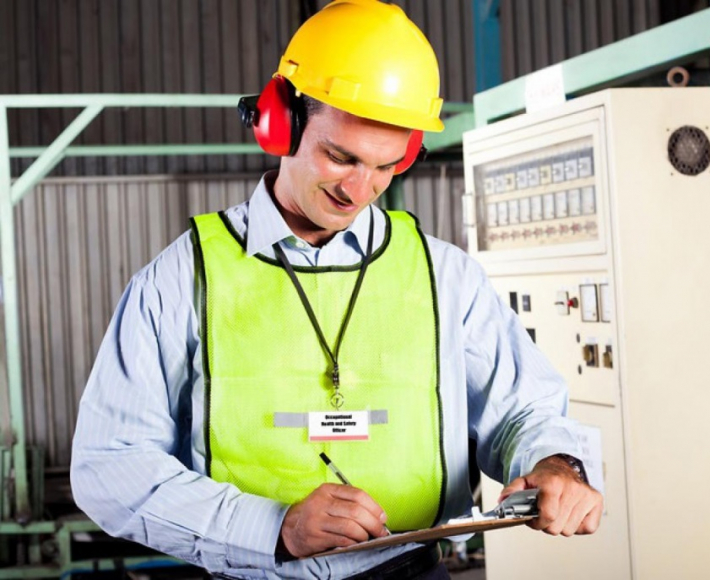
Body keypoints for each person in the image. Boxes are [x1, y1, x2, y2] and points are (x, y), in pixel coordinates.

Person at [70, 1, 603, 578]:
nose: (359, 189)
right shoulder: (181, 280)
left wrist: (556, 464)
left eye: (385, 166)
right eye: (339, 156)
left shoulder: (447, 278)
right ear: (281, 122)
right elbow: (109, 466)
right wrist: (271, 526)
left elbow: (522, 407)